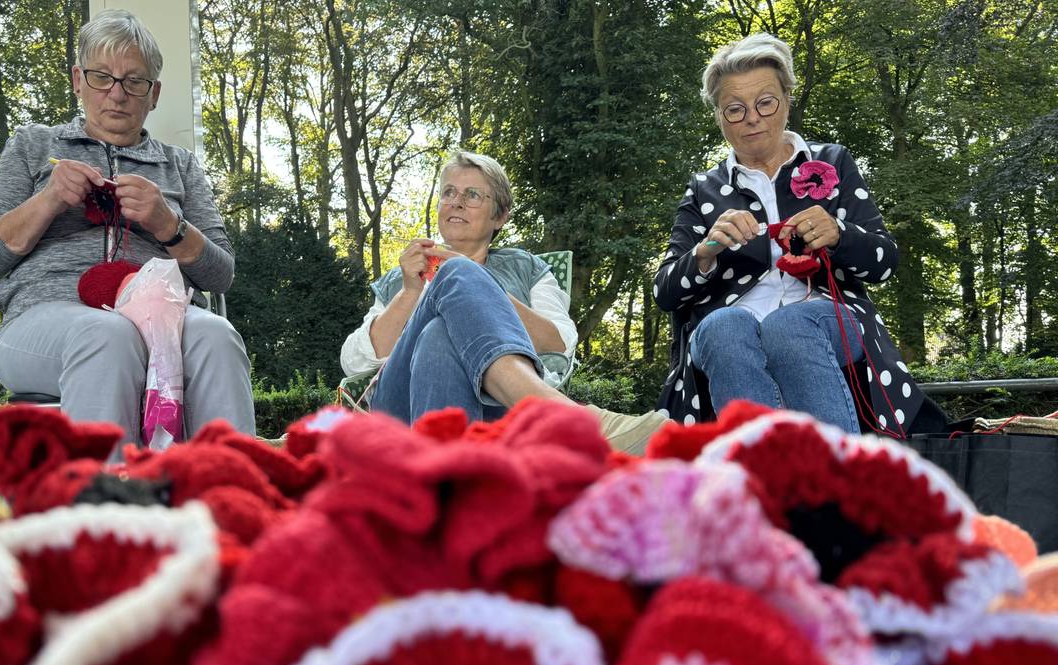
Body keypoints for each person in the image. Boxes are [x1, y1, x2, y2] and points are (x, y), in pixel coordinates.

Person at [0, 10, 255, 455]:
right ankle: (106, 515)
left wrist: (168, 224)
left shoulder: (179, 165)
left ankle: (230, 503)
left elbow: (220, 275)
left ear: (154, 94)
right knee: (108, 334)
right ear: (79, 80)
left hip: (163, 319)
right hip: (42, 319)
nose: (117, 95)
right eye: (103, 77)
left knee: (217, 335)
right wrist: (47, 201)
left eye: (134, 81)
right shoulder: (32, 146)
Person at [653, 33, 941, 435]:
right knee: (724, 327)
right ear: (718, 116)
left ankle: (830, 481)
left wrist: (840, 234)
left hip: (826, 320)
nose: (752, 118)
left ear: (787, 100)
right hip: (732, 330)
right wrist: (704, 253)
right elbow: (665, 291)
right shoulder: (704, 188)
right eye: (734, 109)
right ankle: (772, 482)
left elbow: (885, 261)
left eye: (765, 102)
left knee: (789, 325)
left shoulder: (833, 161)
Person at [341, 151, 663, 450]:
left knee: (439, 335)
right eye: (449, 192)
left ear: (501, 217)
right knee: (454, 278)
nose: (456, 203)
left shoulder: (527, 269)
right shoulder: (401, 278)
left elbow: (560, 345)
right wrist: (410, 293)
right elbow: (353, 362)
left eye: (472, 195)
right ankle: (562, 419)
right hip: (400, 413)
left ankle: (452, 490)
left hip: (500, 412)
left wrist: (484, 290)